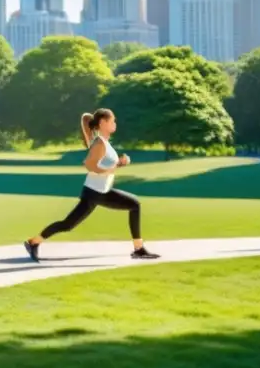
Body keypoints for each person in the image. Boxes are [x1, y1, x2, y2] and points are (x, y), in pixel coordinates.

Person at [23, 109, 160, 262]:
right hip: (96, 192)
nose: (115, 123)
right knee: (134, 204)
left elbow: (102, 166)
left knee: (67, 225)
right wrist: (115, 166)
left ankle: (33, 242)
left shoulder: (104, 142)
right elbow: (89, 164)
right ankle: (138, 249)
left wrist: (120, 163)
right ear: (103, 123)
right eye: (112, 121)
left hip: (98, 191)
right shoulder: (100, 143)